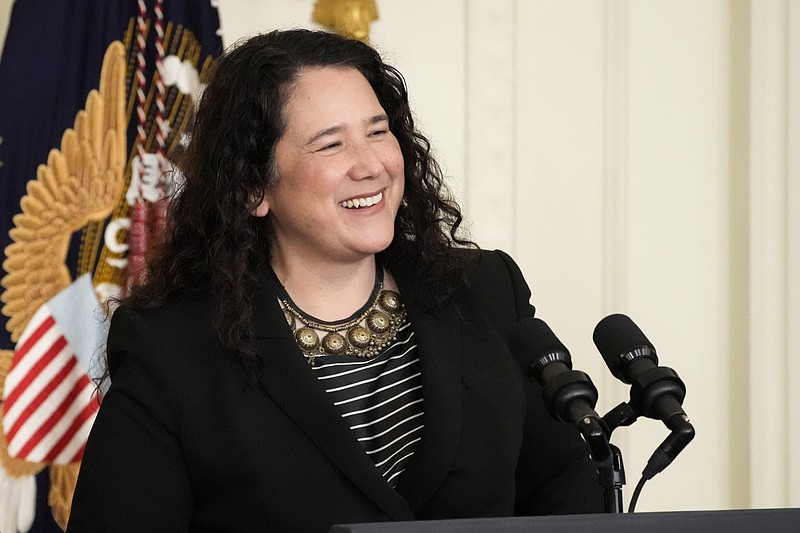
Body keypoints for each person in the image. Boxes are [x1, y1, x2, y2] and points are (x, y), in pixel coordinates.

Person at [67, 29, 603, 532]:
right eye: (331, 144)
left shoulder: (486, 290)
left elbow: (565, 484)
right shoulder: (170, 346)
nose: (370, 164)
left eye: (378, 132)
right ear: (254, 188)